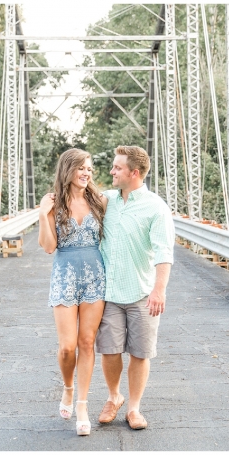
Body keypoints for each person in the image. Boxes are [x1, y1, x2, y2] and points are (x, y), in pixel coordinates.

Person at [95, 145, 175, 430]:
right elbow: (75, 198)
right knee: (109, 350)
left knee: (141, 353)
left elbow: (164, 252)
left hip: (142, 293)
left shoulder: (156, 207)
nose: (112, 171)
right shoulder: (106, 200)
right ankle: (114, 397)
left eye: (117, 167)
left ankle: (134, 409)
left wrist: (159, 290)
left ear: (134, 172)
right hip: (110, 293)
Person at [38, 148, 108, 436]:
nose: (86, 172)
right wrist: (43, 214)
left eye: (89, 168)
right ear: (67, 169)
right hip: (65, 274)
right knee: (67, 346)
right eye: (81, 167)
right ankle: (68, 387)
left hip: (95, 277)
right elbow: (48, 246)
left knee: (87, 342)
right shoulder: (55, 203)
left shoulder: (100, 200)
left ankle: (82, 403)